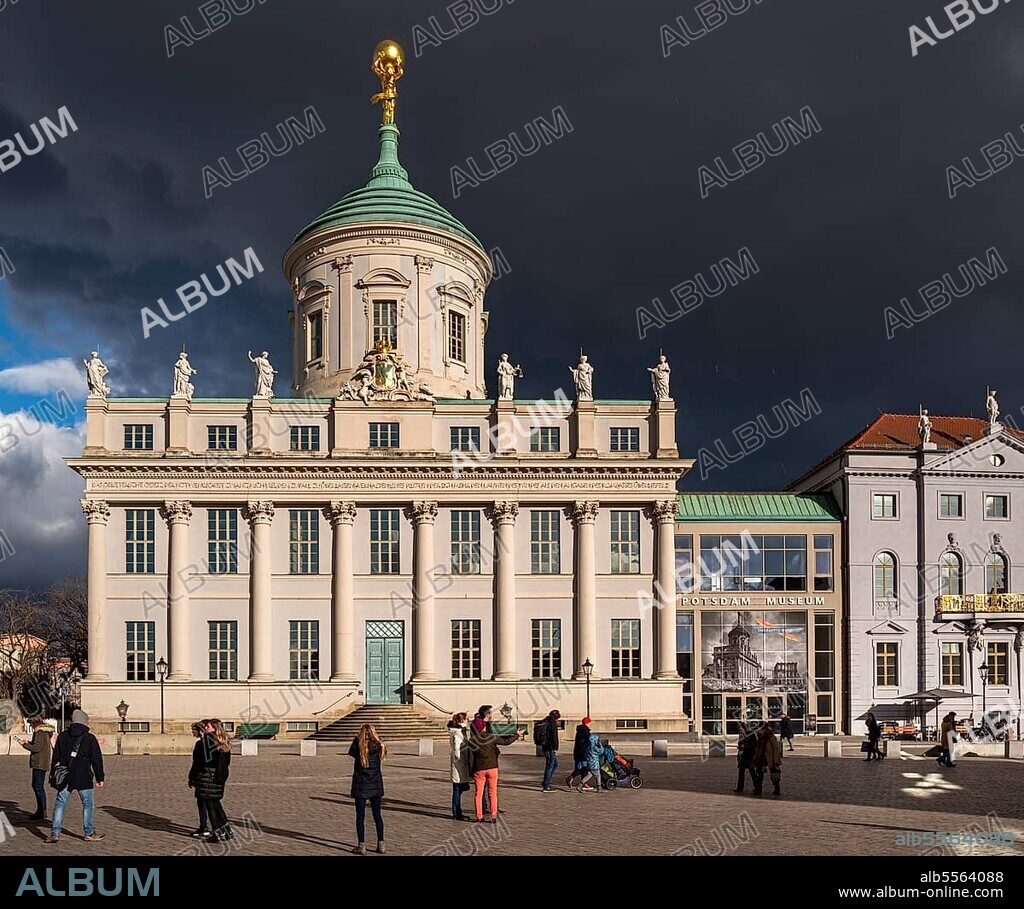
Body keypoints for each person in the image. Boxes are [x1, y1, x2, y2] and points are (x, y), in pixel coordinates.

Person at [46, 709, 105, 844]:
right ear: (84, 722)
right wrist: (100, 777)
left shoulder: (62, 736)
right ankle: (89, 832)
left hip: (65, 776)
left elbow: (55, 758)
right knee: (87, 804)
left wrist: (53, 774)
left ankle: (55, 833)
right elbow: (96, 759)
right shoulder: (89, 738)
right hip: (83, 776)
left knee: (60, 803)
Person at [468, 705, 519, 822]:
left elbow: (471, 758)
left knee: (478, 793)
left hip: (479, 768)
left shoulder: (472, 740)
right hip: (492, 767)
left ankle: (479, 816)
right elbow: (506, 742)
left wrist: (471, 771)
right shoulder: (491, 737)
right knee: (493, 792)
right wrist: (517, 735)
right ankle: (494, 815)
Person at [349, 723, 386, 853]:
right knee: (377, 816)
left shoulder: (358, 746)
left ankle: (362, 845)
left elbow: (351, 752)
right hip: (375, 784)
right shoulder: (379, 746)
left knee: (360, 816)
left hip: (361, 785)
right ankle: (381, 844)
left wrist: (357, 738)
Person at [195, 719, 233, 843]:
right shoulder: (223, 742)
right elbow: (227, 762)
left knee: (211, 806)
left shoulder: (207, 740)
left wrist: (195, 776)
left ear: (214, 728)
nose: (206, 727)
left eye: (208, 726)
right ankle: (227, 831)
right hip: (219, 776)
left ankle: (216, 833)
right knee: (216, 804)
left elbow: (201, 761)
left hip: (208, 776)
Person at [19, 716, 53, 821]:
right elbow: (38, 745)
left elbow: (36, 748)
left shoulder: (39, 732)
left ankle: (42, 811)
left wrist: (25, 745)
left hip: (39, 762)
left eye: (30, 724)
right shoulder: (45, 731)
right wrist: (29, 742)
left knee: (38, 787)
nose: (30, 726)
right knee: (37, 786)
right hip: (43, 762)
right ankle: (41, 810)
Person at [186, 721, 212, 837]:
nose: (201, 733)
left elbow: (197, 763)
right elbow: (195, 762)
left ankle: (209, 827)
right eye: (199, 731)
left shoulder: (204, 744)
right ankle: (204, 825)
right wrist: (191, 777)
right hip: (202, 777)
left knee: (208, 804)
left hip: (205, 777)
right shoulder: (202, 743)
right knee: (202, 802)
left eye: (202, 730)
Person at [448, 713, 471, 821]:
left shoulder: (459, 731)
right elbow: (457, 750)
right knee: (457, 788)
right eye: (466, 719)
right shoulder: (457, 733)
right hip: (459, 764)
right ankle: (457, 813)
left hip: (459, 764)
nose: (468, 721)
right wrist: (463, 760)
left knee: (459, 788)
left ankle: (458, 812)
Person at [753, 722, 783, 797]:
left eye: (759, 728)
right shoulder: (759, 736)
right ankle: (758, 789)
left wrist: (776, 760)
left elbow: (775, 749)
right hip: (761, 758)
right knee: (759, 774)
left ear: (763, 729)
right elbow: (758, 747)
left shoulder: (771, 737)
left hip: (770, 758)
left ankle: (777, 788)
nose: (757, 730)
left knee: (774, 774)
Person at [566, 717, 593, 790]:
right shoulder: (585, 730)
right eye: (590, 723)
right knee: (583, 768)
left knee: (583, 768)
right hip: (582, 752)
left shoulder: (580, 730)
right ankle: (571, 777)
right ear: (587, 723)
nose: (591, 724)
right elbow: (589, 741)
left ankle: (583, 783)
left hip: (578, 752)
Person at [538, 709, 561, 792]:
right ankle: (546, 785)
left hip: (545, 746)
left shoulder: (545, 721)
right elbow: (554, 737)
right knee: (550, 765)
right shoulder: (552, 724)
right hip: (550, 747)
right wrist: (555, 748)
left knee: (554, 764)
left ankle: (546, 782)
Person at [734, 722, 757, 794]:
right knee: (741, 772)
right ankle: (740, 788)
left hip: (749, 756)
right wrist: (740, 748)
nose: (740, 730)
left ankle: (757, 787)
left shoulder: (751, 734)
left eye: (741, 728)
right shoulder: (741, 735)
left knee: (752, 772)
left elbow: (754, 745)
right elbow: (740, 744)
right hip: (742, 756)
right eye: (739, 729)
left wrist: (746, 747)